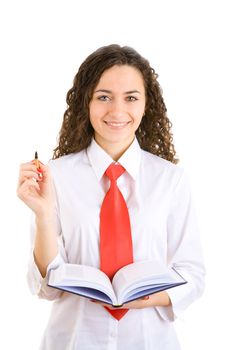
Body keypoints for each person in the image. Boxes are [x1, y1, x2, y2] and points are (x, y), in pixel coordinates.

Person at [17, 44, 205, 350]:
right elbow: (46, 287)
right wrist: (44, 214)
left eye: (131, 98)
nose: (117, 111)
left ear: (147, 104)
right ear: (86, 102)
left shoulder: (171, 180)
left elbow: (193, 274)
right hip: (74, 341)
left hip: (150, 341)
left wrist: (148, 298)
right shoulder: (56, 177)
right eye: (104, 97)